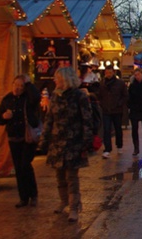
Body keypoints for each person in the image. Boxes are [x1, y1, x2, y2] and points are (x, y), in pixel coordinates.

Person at [41, 67, 95, 222]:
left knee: (71, 176)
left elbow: (87, 119)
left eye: (57, 78)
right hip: (57, 142)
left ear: (65, 79)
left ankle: (74, 207)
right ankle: (63, 200)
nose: (54, 81)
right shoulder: (55, 96)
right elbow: (49, 119)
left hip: (73, 141)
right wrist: (44, 139)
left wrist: (86, 141)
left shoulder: (79, 96)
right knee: (59, 175)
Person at [0, 74, 41, 208]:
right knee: (19, 168)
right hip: (13, 138)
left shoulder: (29, 99)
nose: (18, 88)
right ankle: (23, 197)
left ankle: (33, 195)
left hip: (27, 138)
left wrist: (28, 84)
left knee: (25, 165)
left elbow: (36, 97)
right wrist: (4, 117)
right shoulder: (7, 99)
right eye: (16, 85)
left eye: (21, 86)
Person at [98, 66, 128, 158]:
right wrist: (102, 104)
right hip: (106, 110)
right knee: (106, 129)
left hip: (117, 110)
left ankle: (119, 145)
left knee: (118, 129)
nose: (108, 75)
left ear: (113, 73)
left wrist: (119, 104)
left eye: (110, 73)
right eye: (107, 73)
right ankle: (107, 149)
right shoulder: (102, 84)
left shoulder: (120, 83)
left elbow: (125, 96)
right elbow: (100, 95)